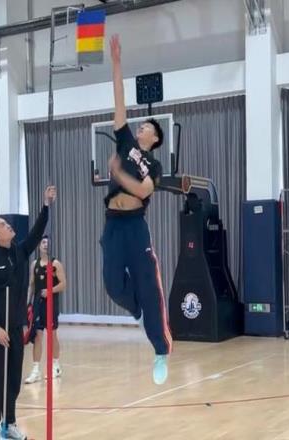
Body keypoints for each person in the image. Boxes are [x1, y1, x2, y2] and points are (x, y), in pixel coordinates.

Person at [100, 34, 172, 385]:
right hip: (113, 224)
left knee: (149, 286)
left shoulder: (154, 166)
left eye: (147, 127)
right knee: (113, 284)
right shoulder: (125, 141)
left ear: (154, 138)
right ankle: (136, 309)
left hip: (135, 225)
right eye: (140, 124)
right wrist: (116, 63)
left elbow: (144, 190)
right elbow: (119, 101)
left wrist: (117, 174)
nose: (141, 127)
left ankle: (160, 350)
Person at [0, 186, 56, 440]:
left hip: (15, 328)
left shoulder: (20, 252)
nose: (8, 225)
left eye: (7, 222)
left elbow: (36, 233)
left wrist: (46, 205)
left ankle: (9, 422)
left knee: (13, 380)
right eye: (3, 224)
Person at [24, 236, 66, 384]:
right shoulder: (34, 264)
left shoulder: (55, 264)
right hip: (37, 304)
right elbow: (31, 285)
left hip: (51, 304)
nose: (46, 245)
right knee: (37, 336)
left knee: (52, 334)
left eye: (48, 243)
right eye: (43, 242)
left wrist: (50, 290)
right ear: (39, 246)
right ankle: (36, 370)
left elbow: (63, 284)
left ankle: (56, 366)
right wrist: (28, 303)